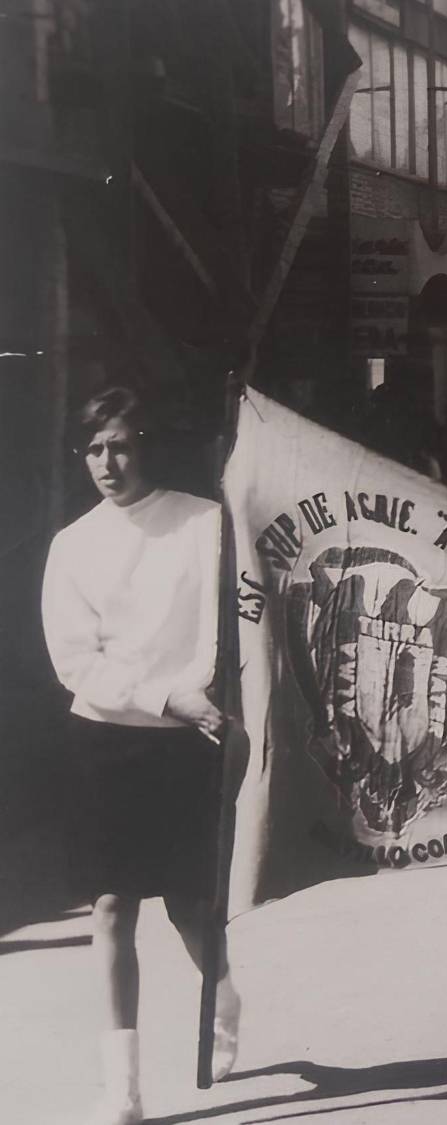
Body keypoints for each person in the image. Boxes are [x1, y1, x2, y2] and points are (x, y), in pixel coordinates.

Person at [42, 387, 240, 1124]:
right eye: (93, 448)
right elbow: (75, 662)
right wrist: (163, 697)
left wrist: (199, 700)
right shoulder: (73, 545)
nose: (107, 461)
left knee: (191, 904)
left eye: (121, 444)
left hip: (191, 736)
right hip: (107, 739)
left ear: (146, 445)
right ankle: (122, 1088)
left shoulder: (204, 523)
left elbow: (228, 628)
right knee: (111, 904)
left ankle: (222, 1001)